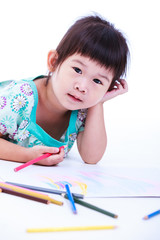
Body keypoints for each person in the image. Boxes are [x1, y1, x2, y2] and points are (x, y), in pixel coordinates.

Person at [0, 14, 129, 166]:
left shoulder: (83, 109)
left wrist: (98, 103)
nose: (82, 87)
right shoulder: (18, 98)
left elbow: (91, 157)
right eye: (77, 69)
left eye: (97, 81)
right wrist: (27, 155)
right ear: (54, 62)